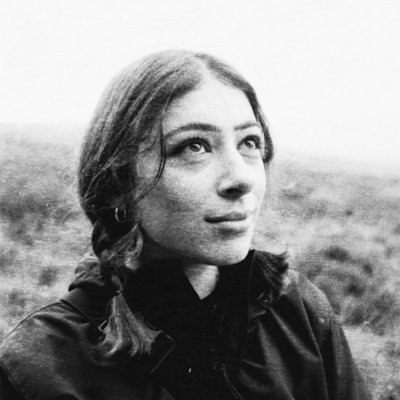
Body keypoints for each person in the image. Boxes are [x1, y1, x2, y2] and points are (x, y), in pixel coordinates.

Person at [0, 50, 370, 399]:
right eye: (194, 146)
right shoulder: (43, 365)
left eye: (249, 142)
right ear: (118, 184)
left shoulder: (297, 311)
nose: (241, 178)